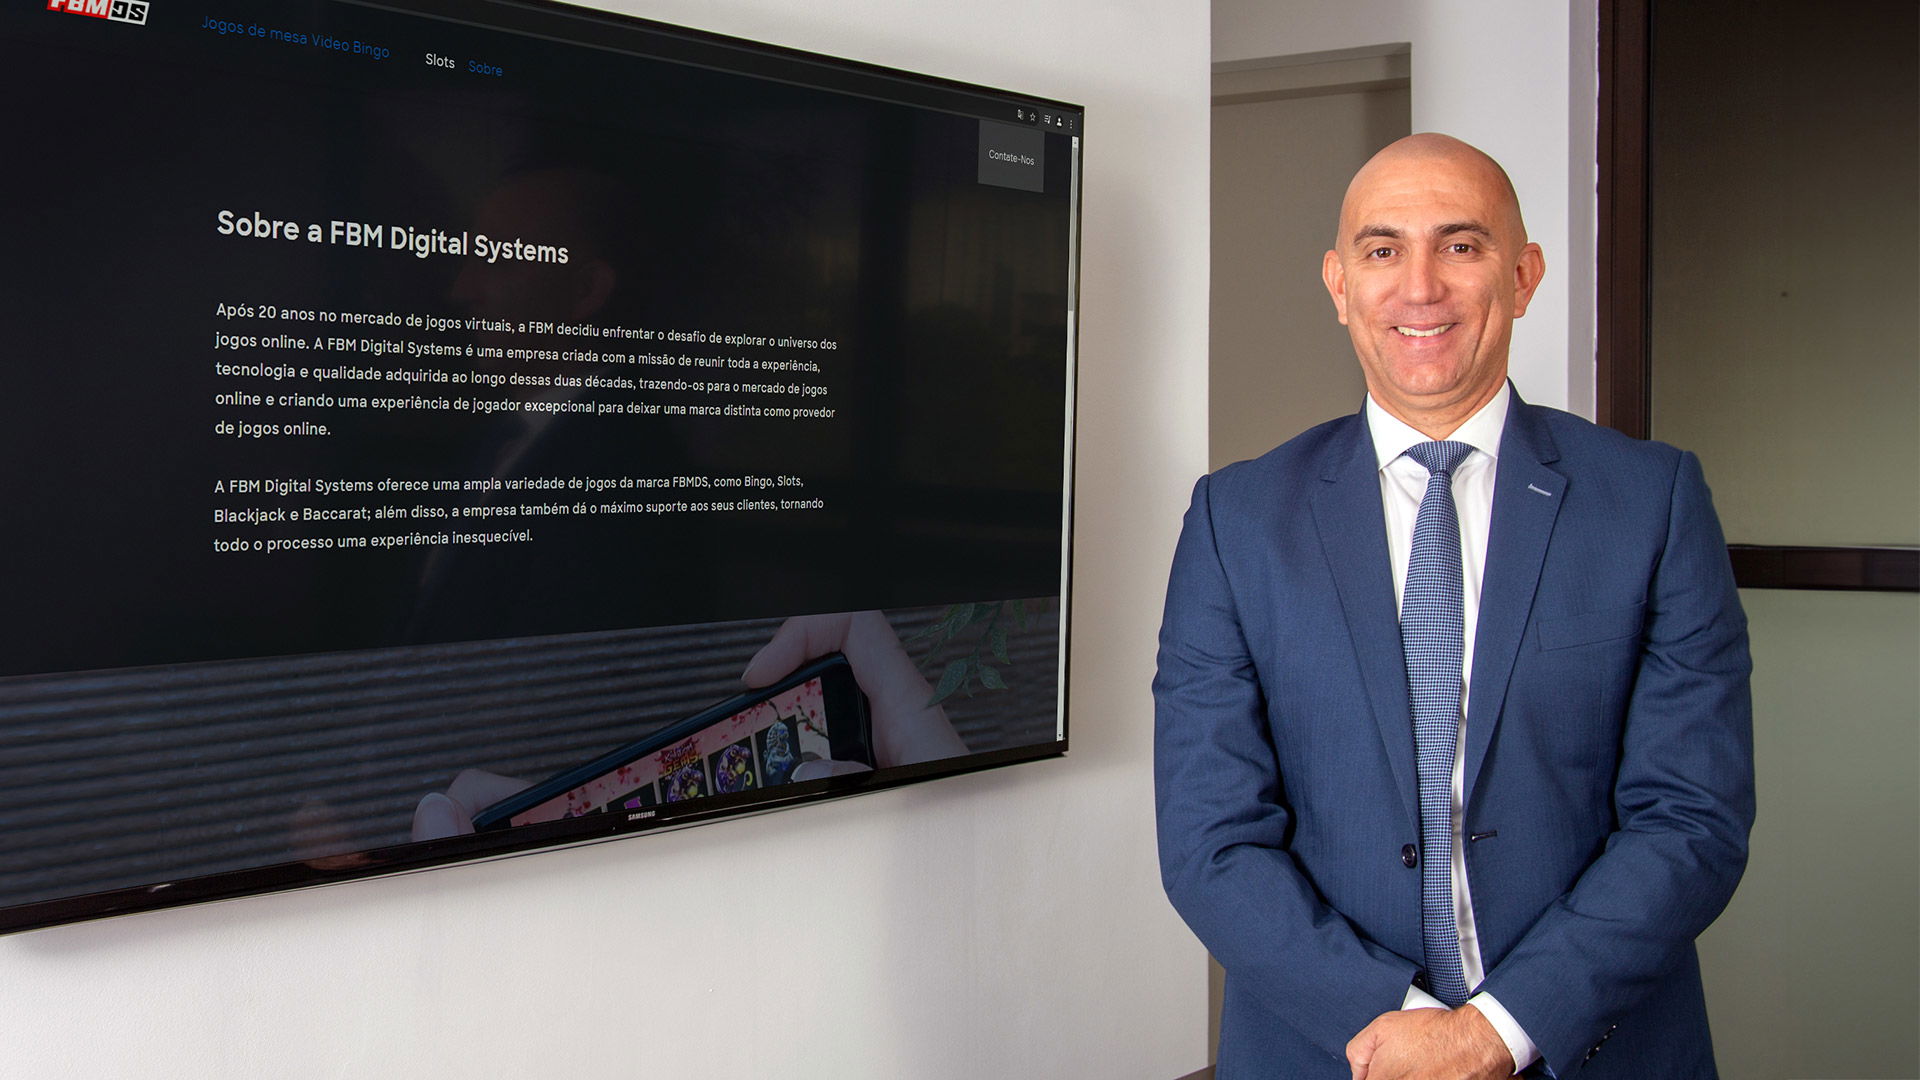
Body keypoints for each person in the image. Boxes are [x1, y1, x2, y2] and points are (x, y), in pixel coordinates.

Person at [1153, 134, 1753, 1079]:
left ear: (1523, 276)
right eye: (1382, 250)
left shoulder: (1651, 502)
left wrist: (1494, 1034)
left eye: (1461, 245)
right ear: (1339, 284)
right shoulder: (1238, 519)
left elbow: (1691, 816)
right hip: (1336, 1050)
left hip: (1591, 1045)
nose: (1419, 286)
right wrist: (1399, 1028)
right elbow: (1210, 840)